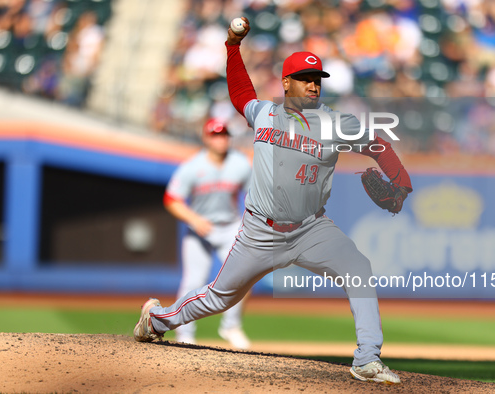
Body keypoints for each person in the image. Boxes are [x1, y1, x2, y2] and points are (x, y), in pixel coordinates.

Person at [134, 18, 412, 384]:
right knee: (219, 297)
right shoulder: (264, 113)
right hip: (259, 231)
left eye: (317, 79)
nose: (313, 85)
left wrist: (401, 183)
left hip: (312, 228)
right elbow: (239, 95)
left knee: (358, 269)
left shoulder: (335, 124)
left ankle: (367, 359)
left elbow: (378, 144)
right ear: (286, 82)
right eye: (305, 78)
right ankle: (156, 320)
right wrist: (232, 48)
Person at [163, 117, 252, 349]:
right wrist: (193, 219)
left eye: (224, 135)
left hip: (230, 226)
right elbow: (171, 199)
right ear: (205, 138)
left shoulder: (240, 164)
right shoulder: (192, 167)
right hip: (200, 228)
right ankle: (185, 333)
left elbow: (255, 194)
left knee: (243, 277)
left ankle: (231, 326)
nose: (220, 139)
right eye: (215, 135)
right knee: (193, 281)